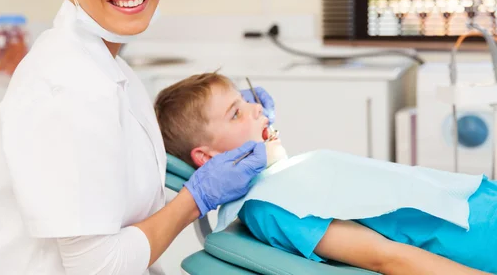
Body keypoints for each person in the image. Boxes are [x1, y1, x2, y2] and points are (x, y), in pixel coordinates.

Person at [0, 0, 273, 274]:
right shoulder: (66, 87)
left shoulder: (108, 65)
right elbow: (98, 267)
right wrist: (196, 198)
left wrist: (232, 126)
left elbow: (117, 163)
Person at [154, 72, 497, 275]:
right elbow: (388, 257)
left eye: (246, 101)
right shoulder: (271, 207)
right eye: (235, 113)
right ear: (207, 157)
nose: (258, 108)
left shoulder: (284, 177)